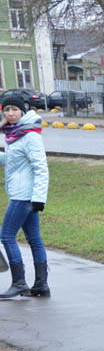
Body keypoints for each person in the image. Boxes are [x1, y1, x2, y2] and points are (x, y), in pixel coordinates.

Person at [0, 91, 49, 299]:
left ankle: (19, 283)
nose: (11, 113)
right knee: (34, 239)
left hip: (25, 196)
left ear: (23, 111)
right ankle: (40, 286)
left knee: (6, 235)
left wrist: (40, 197)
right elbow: (14, 162)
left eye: (15, 109)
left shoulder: (29, 135)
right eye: (7, 110)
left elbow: (41, 167)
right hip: (25, 194)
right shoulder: (16, 134)